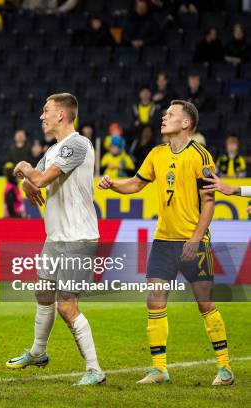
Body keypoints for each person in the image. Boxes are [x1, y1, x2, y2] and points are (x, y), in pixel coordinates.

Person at [98, 100, 233, 386]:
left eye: (171, 114)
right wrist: (114, 185)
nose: (164, 116)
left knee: (205, 303)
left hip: (192, 241)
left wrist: (196, 238)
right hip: (163, 240)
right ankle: (159, 369)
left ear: (186, 123)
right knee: (154, 300)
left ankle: (225, 367)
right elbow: (136, 184)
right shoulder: (156, 154)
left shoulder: (200, 156)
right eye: (165, 113)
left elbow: (210, 202)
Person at [8, 93, 106, 386]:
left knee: (66, 305)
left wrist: (23, 167)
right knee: (43, 293)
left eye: (46, 110)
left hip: (79, 237)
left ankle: (94, 369)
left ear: (62, 115)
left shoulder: (77, 144)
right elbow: (30, 183)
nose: (42, 116)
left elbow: (36, 179)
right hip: (56, 238)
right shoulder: (52, 151)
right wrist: (26, 178)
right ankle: (38, 352)